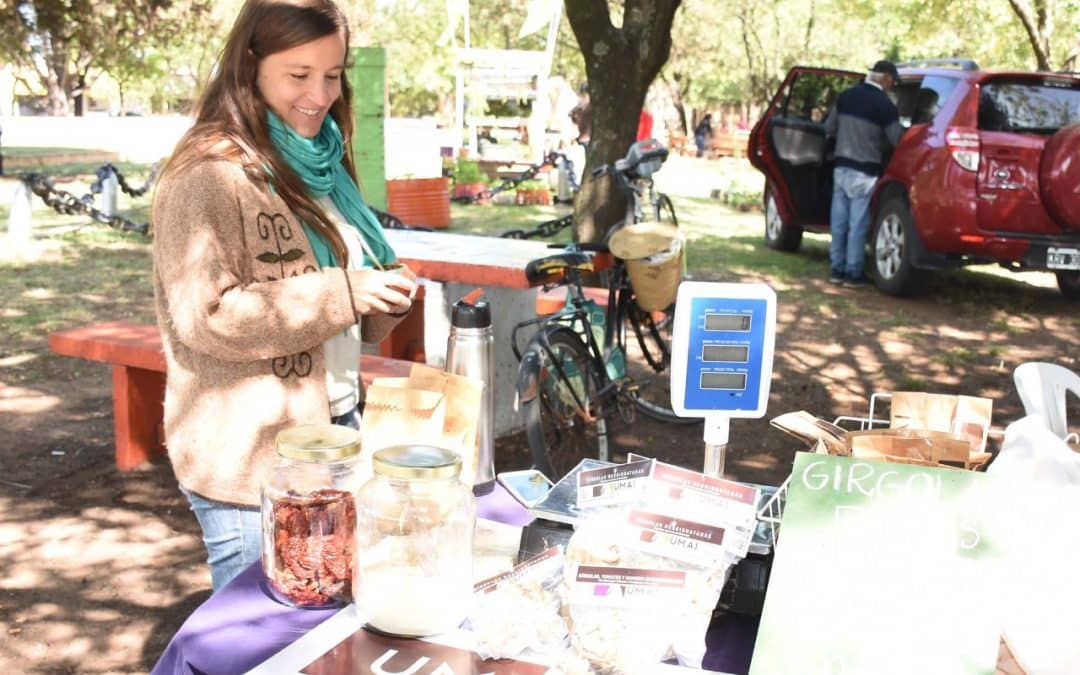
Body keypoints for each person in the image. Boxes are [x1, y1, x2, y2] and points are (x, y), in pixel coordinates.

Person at [150, 0, 417, 592]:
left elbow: (337, 286)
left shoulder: (320, 162)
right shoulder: (207, 175)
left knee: (321, 624)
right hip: (251, 460)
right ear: (250, 65)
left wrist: (381, 293)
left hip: (333, 426)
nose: (319, 95)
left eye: (332, 75)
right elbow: (209, 316)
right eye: (299, 75)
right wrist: (343, 291)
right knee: (261, 636)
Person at [824, 60, 903, 287]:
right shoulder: (885, 106)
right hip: (865, 172)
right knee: (857, 225)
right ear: (885, 78)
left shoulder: (846, 96)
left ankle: (836, 269)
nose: (893, 86)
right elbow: (896, 139)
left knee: (838, 222)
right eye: (893, 82)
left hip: (841, 168)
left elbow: (829, 129)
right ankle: (853, 273)